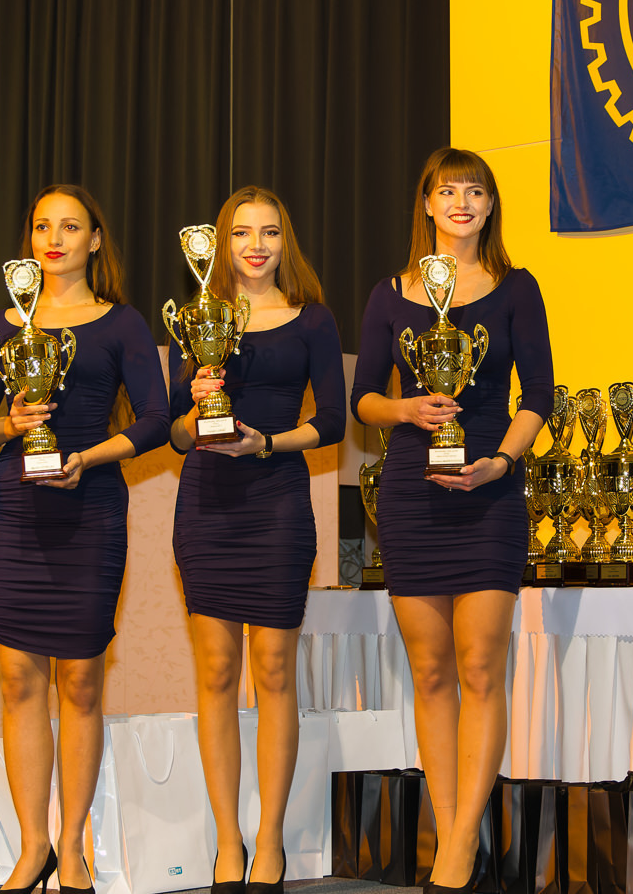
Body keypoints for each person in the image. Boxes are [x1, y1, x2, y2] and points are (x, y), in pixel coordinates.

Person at [350, 148, 553, 892]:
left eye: (475, 190)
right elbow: (363, 398)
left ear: (490, 205)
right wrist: (405, 409)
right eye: (447, 190)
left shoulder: (516, 287)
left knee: (478, 667)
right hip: (412, 492)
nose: (461, 202)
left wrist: (500, 461)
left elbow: (540, 395)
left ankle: (462, 842)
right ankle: (450, 833)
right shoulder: (389, 294)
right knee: (431, 672)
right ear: (427, 204)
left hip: (490, 494)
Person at [0, 185, 170, 894]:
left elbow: (155, 419)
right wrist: (11, 425)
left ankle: (73, 845)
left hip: (91, 507)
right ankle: (32, 847)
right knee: (19, 677)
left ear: (95, 239)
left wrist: (88, 457)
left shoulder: (121, 322)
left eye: (71, 226)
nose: (54, 238)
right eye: (43, 226)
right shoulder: (3, 322)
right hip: (14, 510)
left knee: (79, 680)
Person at [167, 186, 345, 894]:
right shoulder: (198, 317)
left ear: (284, 241)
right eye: (242, 232)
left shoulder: (313, 318)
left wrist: (266, 441)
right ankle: (226, 840)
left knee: (273, 672)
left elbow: (332, 421)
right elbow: (175, 433)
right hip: (206, 506)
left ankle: (269, 839)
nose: (256, 245)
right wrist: (195, 406)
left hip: (276, 506)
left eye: (269, 232)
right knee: (216, 673)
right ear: (223, 242)